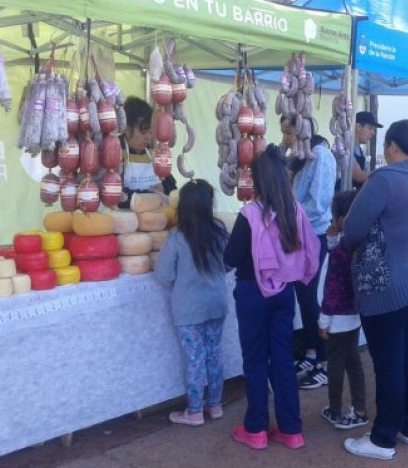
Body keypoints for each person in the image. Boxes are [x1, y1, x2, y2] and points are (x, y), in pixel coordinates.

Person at [342, 118, 408, 460]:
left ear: (392, 147)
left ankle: (383, 439)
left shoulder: (384, 179)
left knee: (388, 363)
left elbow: (352, 228)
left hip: (388, 286)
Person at [225, 145, 320, 451]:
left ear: (259, 180)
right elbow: (309, 249)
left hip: (252, 294)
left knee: (255, 360)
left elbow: (230, 257)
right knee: (282, 359)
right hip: (284, 293)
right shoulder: (295, 211)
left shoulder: (250, 214)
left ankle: (256, 429)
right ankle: (292, 430)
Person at [154, 179, 230, 427]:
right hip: (216, 304)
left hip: (189, 308)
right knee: (214, 354)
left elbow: (163, 274)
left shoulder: (177, 236)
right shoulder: (220, 230)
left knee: (195, 358)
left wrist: (182, 281)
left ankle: (195, 411)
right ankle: (215, 404)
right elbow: (229, 263)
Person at [280, 114, 337, 390]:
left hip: (313, 233)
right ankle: (312, 353)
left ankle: (324, 363)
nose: (286, 141)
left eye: (289, 134)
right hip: (297, 233)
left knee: (310, 297)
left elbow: (319, 203)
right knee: (303, 296)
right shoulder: (298, 155)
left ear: (302, 131)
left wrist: (288, 216)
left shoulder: (322, 156)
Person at [318, 190, 369, 430]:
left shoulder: (339, 254)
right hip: (354, 316)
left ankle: (334, 410)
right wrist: (332, 240)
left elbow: (332, 289)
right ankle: (360, 408)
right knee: (354, 362)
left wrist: (323, 321)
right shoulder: (358, 245)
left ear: (340, 219)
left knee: (335, 363)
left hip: (336, 317)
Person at [118, 97, 176, 208]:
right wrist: (150, 196)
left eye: (150, 132)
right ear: (127, 129)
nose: (148, 138)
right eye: (144, 131)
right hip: (125, 219)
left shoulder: (154, 154)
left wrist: (165, 189)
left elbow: (172, 190)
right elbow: (117, 195)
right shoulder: (114, 153)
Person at [351, 112, 382, 189]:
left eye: (374, 130)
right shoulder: (344, 149)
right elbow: (358, 175)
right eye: (370, 128)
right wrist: (383, 174)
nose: (373, 133)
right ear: (358, 126)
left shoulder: (360, 151)